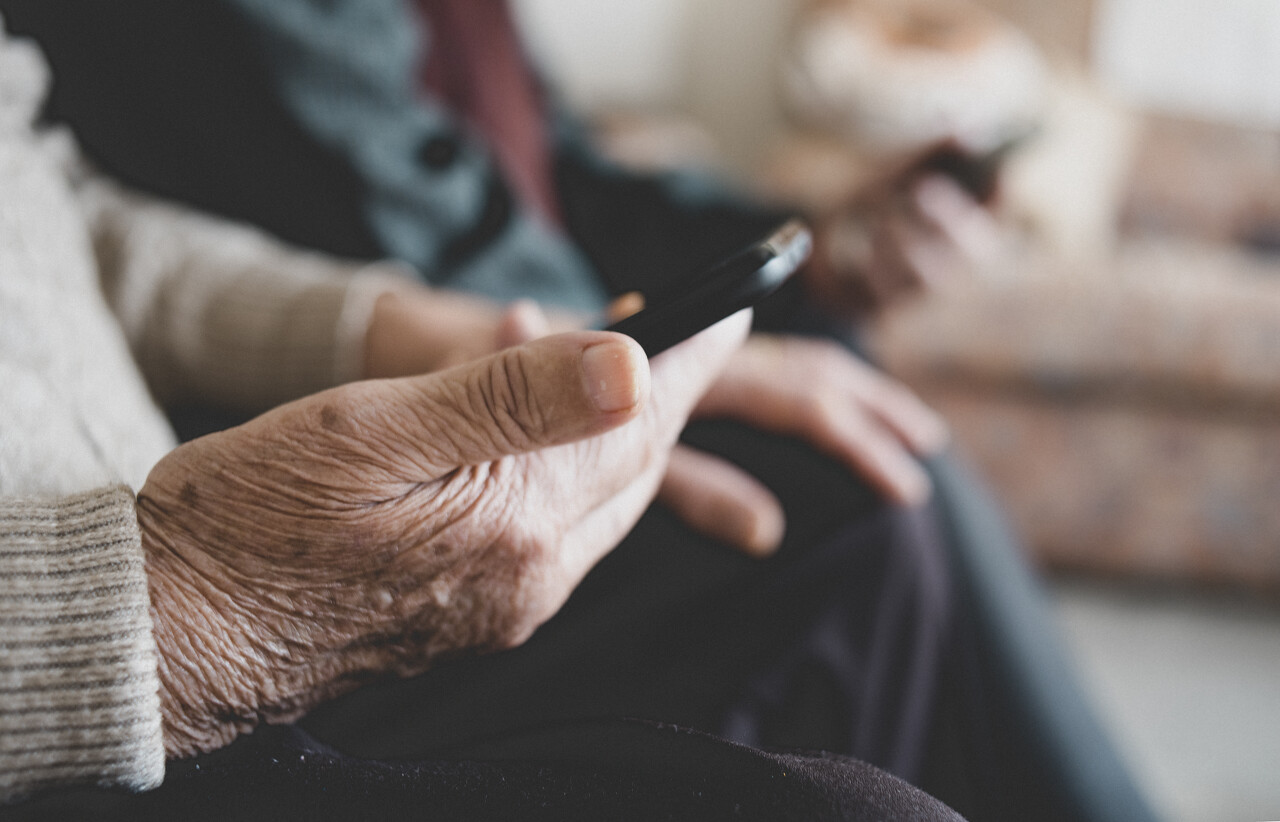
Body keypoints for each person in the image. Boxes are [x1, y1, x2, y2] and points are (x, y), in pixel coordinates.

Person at [0, 2, 1162, 820]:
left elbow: (84, 220)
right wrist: (175, 612)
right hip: (93, 674)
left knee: (853, 491)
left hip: (151, 546)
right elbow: (392, 194)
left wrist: (414, 326)